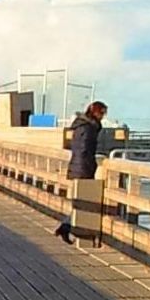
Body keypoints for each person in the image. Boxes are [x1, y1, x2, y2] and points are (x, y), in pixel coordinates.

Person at [55, 100, 109, 243]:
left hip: (78, 166)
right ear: (95, 112)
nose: (103, 116)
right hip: (83, 168)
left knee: (81, 203)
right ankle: (67, 227)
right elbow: (84, 149)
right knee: (84, 204)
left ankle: (66, 227)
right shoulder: (88, 128)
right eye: (102, 113)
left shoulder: (81, 126)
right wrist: (91, 165)